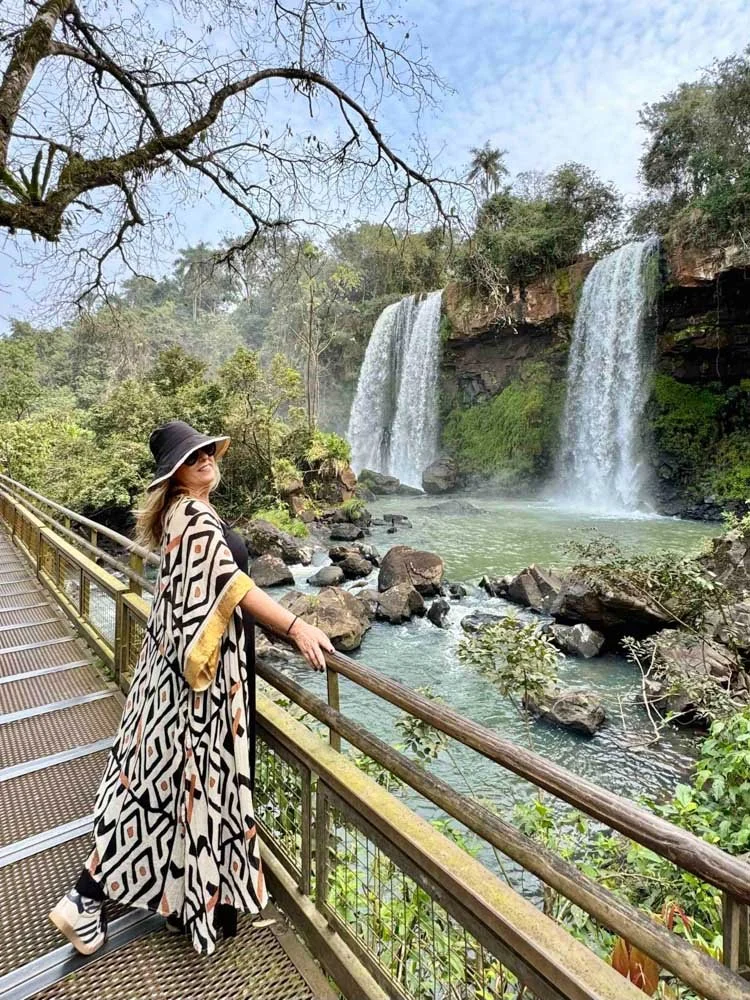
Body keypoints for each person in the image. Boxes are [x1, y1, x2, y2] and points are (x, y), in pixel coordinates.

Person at [49, 421, 334, 957]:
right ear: (174, 475)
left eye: (206, 451)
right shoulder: (194, 515)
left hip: (173, 677)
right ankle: (85, 897)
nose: (204, 459)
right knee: (171, 788)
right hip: (197, 690)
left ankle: (181, 901)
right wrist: (296, 626)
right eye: (191, 457)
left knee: (167, 786)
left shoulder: (184, 515)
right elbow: (232, 586)